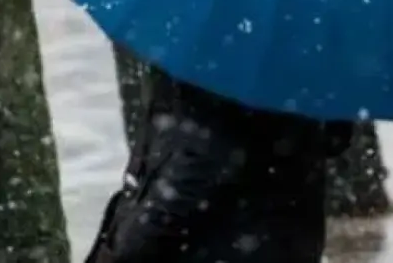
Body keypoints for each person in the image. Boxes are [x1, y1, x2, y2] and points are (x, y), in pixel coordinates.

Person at [85, 63, 355, 263]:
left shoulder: (215, 50)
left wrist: (127, 247)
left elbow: (194, 171)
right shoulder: (312, 43)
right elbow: (336, 137)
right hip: (290, 240)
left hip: (217, 243)